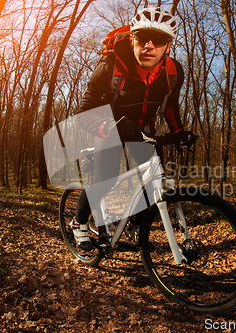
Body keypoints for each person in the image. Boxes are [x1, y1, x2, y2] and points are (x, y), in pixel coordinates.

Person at [74, 7, 189, 251]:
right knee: (105, 179)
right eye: (141, 38)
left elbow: (170, 106)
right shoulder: (112, 64)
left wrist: (179, 132)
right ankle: (79, 222)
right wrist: (108, 126)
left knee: (154, 179)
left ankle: (136, 224)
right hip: (110, 124)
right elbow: (84, 112)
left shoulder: (173, 72)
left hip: (143, 129)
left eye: (157, 40)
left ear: (168, 46)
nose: (148, 45)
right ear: (132, 39)